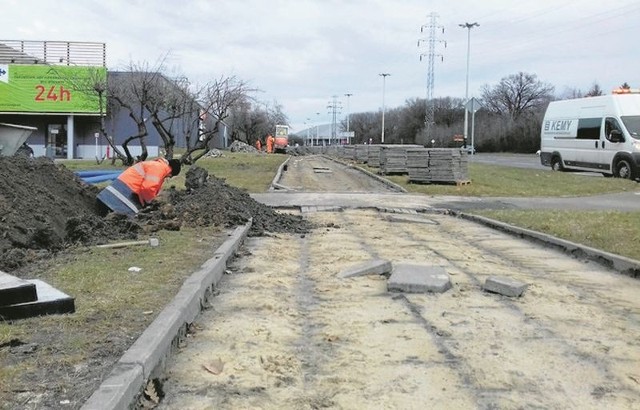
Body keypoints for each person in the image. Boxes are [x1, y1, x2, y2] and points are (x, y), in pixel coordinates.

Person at [96, 157, 181, 216]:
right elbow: (148, 187)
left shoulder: (153, 164)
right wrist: (150, 203)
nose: (168, 177)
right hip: (122, 199)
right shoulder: (159, 168)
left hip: (109, 195)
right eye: (170, 176)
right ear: (171, 172)